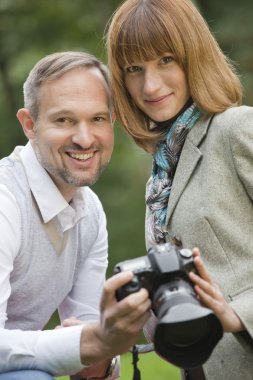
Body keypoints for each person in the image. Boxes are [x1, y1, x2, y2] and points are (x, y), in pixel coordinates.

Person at [106, 0, 253, 379]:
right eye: (134, 69)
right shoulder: (162, 173)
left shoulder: (236, 129)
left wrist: (239, 315)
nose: (149, 85)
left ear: (194, 56)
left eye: (165, 60)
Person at [0, 51, 151, 379]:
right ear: (30, 124)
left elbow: (90, 348)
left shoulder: (90, 211)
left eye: (97, 119)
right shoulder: (4, 200)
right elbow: (85, 342)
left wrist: (105, 347)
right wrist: (86, 342)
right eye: (64, 120)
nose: (84, 139)